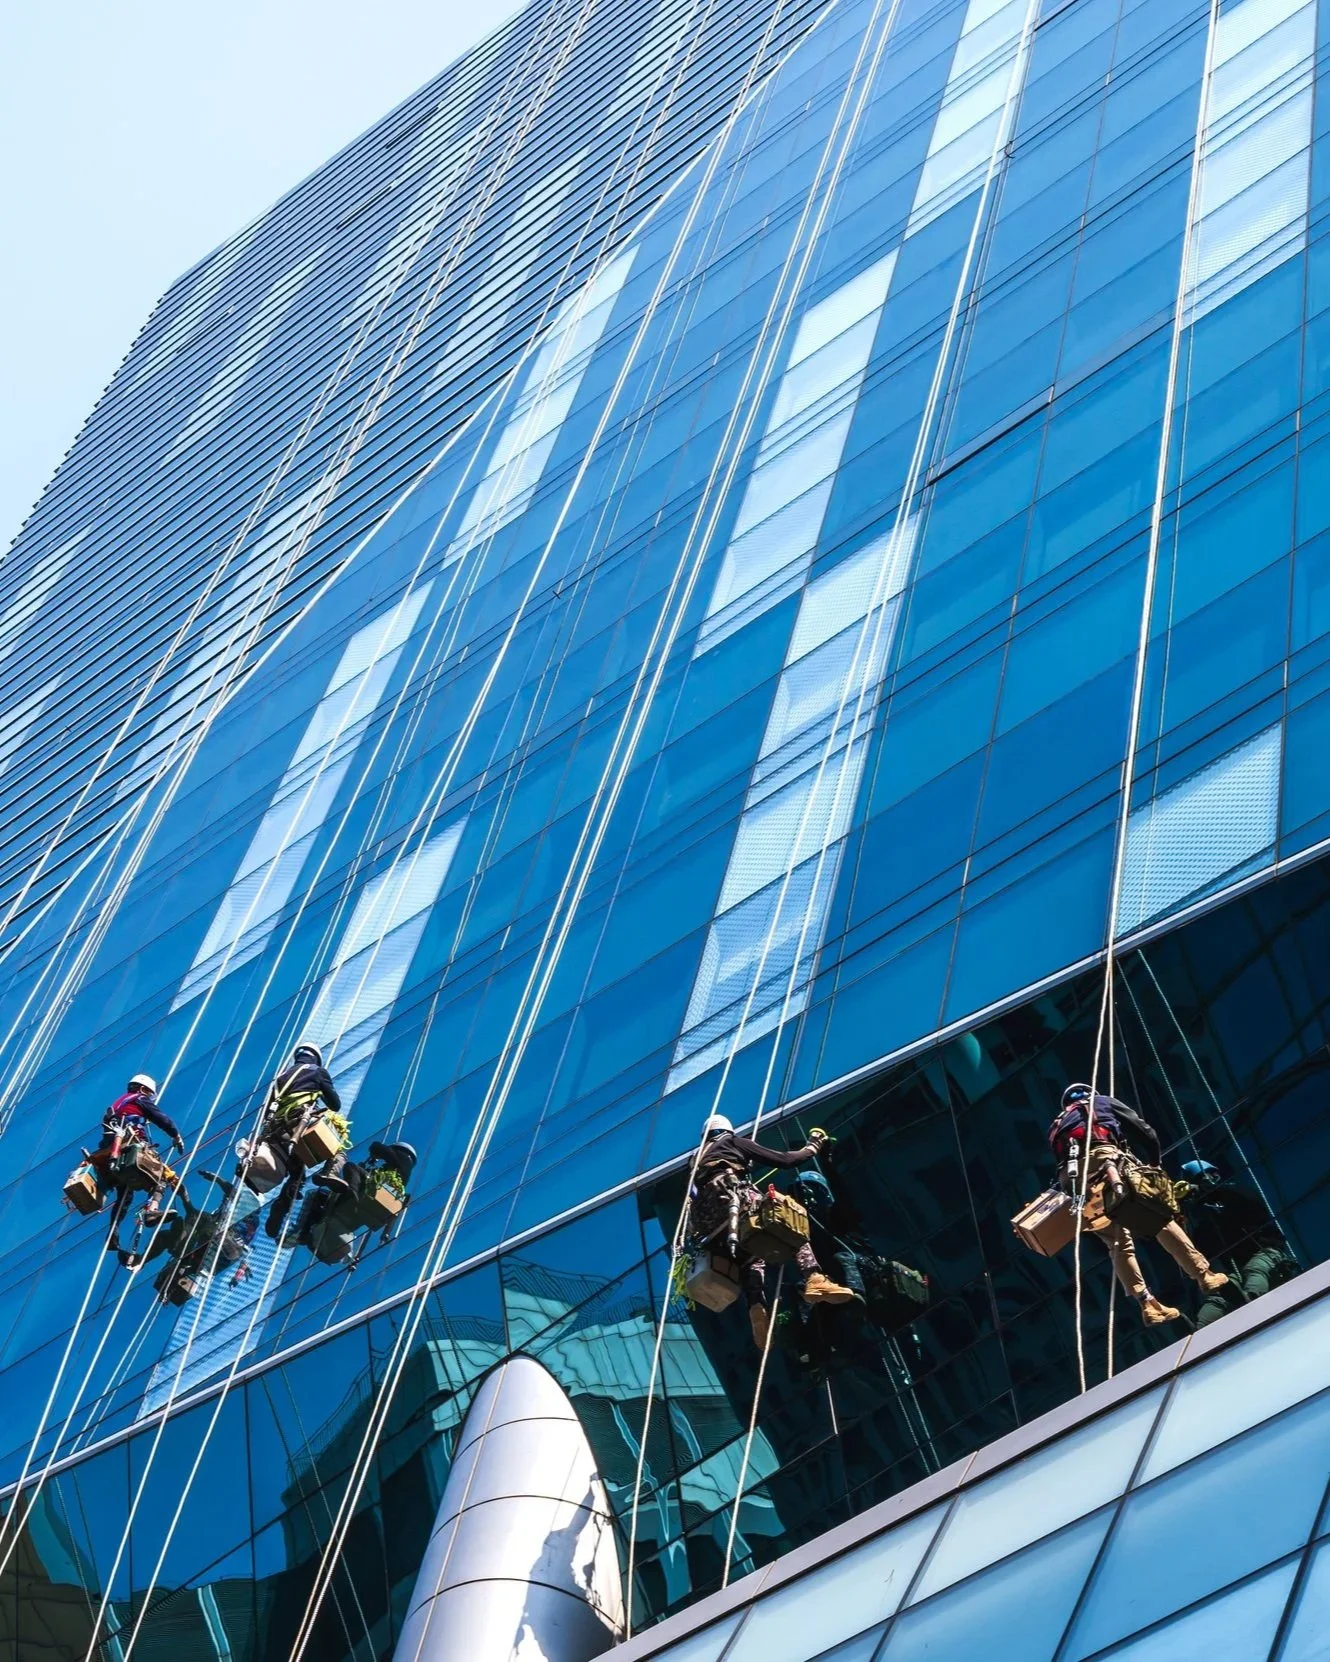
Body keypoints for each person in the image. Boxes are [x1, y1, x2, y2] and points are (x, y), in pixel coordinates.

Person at [1050, 1083, 1228, 1326]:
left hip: (1073, 1184)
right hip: (1106, 1163)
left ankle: (1148, 1305)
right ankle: (1204, 1276)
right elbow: (1145, 1131)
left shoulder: (1058, 1124)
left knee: (1117, 1244)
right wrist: (1154, 1163)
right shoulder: (1102, 1102)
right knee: (1158, 1219)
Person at [691, 1114, 856, 1350]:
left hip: (707, 1222)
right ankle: (814, 1278)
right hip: (731, 1199)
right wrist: (813, 1145)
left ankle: (756, 1307)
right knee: (790, 1220)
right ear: (726, 1130)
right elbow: (786, 1159)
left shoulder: (695, 1159)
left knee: (752, 1259)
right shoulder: (732, 1142)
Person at [1178, 1160, 1298, 1327]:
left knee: (1255, 1269)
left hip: (1267, 1253)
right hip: (1238, 1269)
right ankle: (1200, 1328)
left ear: (1215, 1176)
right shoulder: (1209, 1221)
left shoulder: (1237, 1192)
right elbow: (1201, 1249)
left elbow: (1244, 1199)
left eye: (1200, 1180)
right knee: (1219, 1294)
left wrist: (1211, 1191)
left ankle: (1252, 1300)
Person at [250, 1043, 342, 1240]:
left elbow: (267, 1111)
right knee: (337, 1146)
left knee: (297, 1172)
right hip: (299, 1125)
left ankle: (282, 1205)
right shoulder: (318, 1072)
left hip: (276, 1132)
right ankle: (329, 1173)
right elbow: (335, 1104)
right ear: (316, 1059)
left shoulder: (280, 1078)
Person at [97, 1073, 185, 1258]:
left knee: (125, 1195)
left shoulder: (117, 1105)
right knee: (160, 1177)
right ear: (143, 1089)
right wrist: (176, 1135)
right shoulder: (140, 1099)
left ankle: (113, 1231)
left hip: (112, 1152)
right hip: (131, 1148)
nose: (150, 1098)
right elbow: (161, 1118)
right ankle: (151, 1211)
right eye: (150, 1094)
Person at [293, 1140, 416, 1267]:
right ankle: (307, 1233)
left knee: (351, 1167)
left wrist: (375, 1156)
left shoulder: (402, 1161)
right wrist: (385, 1235)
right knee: (322, 1199)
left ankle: (349, 1191)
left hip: (365, 1198)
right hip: (362, 1213)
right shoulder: (400, 1181)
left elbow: (376, 1147)